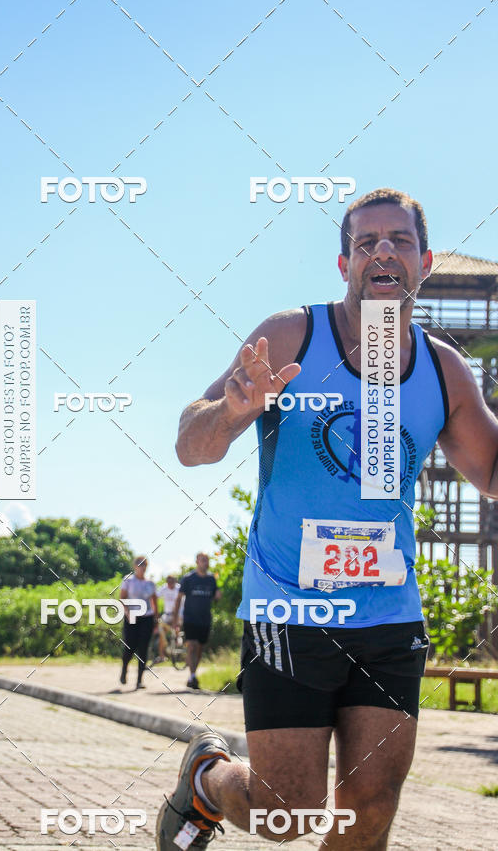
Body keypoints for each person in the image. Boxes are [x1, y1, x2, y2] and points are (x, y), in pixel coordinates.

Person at [157, 187, 498, 849]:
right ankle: (207, 776)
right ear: (344, 265)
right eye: (365, 242)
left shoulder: (443, 369)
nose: (382, 252)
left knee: (371, 807)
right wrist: (232, 411)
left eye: (398, 240)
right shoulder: (290, 335)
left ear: (423, 262)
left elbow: (490, 472)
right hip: (290, 607)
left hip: (390, 613)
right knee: (290, 816)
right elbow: (189, 445)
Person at [173, 553, 220, 689]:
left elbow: (215, 595)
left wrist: (218, 595)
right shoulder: (188, 579)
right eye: (203, 560)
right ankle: (192, 676)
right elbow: (179, 599)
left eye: (207, 560)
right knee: (192, 645)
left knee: (199, 648)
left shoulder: (211, 579)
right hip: (190, 618)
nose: (205, 563)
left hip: (205, 619)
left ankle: (193, 674)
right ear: (197, 562)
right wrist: (176, 619)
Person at [119, 556, 157, 689]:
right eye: (140, 564)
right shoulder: (128, 581)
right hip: (132, 616)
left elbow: (154, 601)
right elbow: (122, 598)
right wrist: (128, 613)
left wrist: (155, 620)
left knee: (143, 648)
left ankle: (139, 680)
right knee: (130, 646)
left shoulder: (150, 583)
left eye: (145, 564)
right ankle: (124, 669)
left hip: (147, 617)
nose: (143, 567)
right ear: (135, 566)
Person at [157, 575, 182, 661]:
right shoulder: (164, 588)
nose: (170, 584)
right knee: (161, 631)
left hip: (178, 614)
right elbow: (155, 596)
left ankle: (177, 637)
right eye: (168, 582)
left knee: (177, 624)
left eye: (172, 582)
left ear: (175, 582)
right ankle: (162, 656)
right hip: (167, 614)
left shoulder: (179, 589)